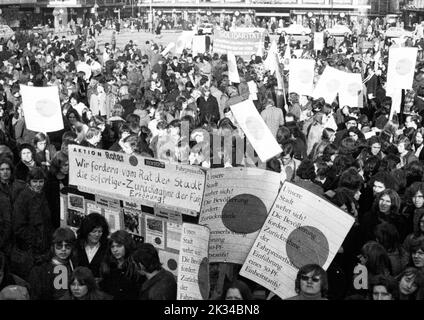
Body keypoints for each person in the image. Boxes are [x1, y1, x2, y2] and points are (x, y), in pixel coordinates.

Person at [12, 167, 53, 279]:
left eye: (41, 181)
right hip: (30, 251)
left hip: (44, 248)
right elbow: (18, 227)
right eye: (35, 181)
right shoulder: (23, 198)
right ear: (29, 182)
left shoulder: (43, 195)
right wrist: (36, 240)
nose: (38, 185)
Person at [27, 227, 76, 300]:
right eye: (59, 246)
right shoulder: (40, 269)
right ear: (53, 246)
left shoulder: (74, 265)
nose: (63, 249)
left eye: (67, 246)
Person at [99, 230, 142, 300]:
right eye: (112, 247)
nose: (115, 250)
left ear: (127, 246)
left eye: (119, 246)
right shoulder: (107, 263)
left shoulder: (135, 265)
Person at [73, 213, 110, 280]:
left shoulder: (107, 248)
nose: (97, 234)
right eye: (94, 231)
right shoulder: (77, 246)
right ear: (86, 231)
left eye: (100, 231)